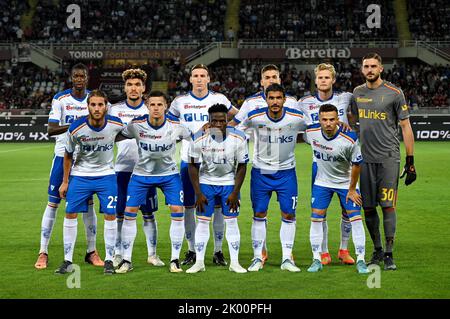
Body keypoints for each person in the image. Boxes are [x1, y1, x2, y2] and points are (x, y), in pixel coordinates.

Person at [350, 53, 416, 270]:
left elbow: (405, 127)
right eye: (366, 66)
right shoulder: (357, 94)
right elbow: (353, 123)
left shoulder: (395, 93)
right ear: (362, 69)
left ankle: (389, 253)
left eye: (373, 66)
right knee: (368, 208)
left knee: (387, 206)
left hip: (388, 159)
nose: (370, 69)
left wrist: (410, 160)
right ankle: (377, 249)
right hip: (365, 161)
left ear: (381, 69)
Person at [168, 64, 238, 267]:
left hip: (216, 161)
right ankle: (191, 250)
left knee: (217, 207)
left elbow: (238, 117)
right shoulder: (180, 102)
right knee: (189, 206)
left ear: (209, 79)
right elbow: (171, 125)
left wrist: (225, 132)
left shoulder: (220, 99)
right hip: (189, 160)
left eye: (203, 76)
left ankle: (217, 250)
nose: (199, 79)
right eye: (195, 76)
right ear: (190, 79)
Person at [35, 63, 103, 270]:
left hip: (87, 160)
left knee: (89, 206)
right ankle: (43, 251)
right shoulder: (61, 99)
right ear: (71, 77)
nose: (79, 78)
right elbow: (51, 129)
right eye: (76, 75)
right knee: (53, 204)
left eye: (82, 75)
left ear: (87, 77)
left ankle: (91, 251)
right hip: (62, 156)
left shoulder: (94, 98)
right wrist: (79, 124)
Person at [233, 83, 307, 272]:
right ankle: (258, 257)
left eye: (278, 98)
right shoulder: (255, 117)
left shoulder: (296, 117)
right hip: (261, 172)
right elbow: (236, 130)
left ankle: (286, 258)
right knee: (259, 214)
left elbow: (316, 127)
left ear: (284, 99)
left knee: (289, 214)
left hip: (286, 172)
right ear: (266, 99)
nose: (275, 102)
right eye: (271, 98)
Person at [115, 91, 191, 274]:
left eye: (160, 104)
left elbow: (193, 139)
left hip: (169, 175)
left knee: (177, 210)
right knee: (129, 212)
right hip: (141, 175)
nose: (156, 108)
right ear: (147, 106)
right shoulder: (136, 125)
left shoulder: (176, 125)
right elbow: (116, 136)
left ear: (166, 106)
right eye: (153, 105)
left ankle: (174, 259)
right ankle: (126, 259)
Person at [55, 90, 124, 275]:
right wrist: (65, 182)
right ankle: (67, 260)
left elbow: (131, 133)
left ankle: (109, 260)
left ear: (106, 106)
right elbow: (68, 154)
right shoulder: (76, 128)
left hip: (106, 175)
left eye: (100, 104)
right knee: (70, 214)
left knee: (110, 215)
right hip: (81, 175)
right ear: (88, 106)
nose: (96, 108)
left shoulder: (116, 124)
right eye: (93, 104)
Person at [298, 63, 355, 266]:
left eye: (327, 77)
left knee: (347, 210)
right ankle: (323, 252)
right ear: (315, 81)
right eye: (320, 78)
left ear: (333, 80)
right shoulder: (303, 103)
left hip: (346, 164)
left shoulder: (345, 98)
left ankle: (343, 249)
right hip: (319, 163)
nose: (323, 81)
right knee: (319, 212)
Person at [304, 104, 369, 274]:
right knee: (316, 217)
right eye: (324, 119)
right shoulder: (311, 132)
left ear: (337, 120)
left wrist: (352, 189)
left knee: (355, 217)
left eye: (332, 119)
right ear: (319, 120)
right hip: (322, 182)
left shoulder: (350, 138)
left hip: (345, 183)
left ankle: (361, 259)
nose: (328, 123)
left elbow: (356, 165)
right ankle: (316, 258)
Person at [108, 68, 162, 268]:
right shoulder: (114, 109)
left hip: (146, 170)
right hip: (121, 169)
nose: (133, 88)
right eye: (130, 84)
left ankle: (153, 254)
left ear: (143, 88)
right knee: (120, 213)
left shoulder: (151, 108)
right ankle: (118, 253)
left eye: (137, 84)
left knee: (148, 213)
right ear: (125, 87)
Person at [186, 104, 249, 274]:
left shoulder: (240, 137)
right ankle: (199, 262)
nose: (219, 124)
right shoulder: (198, 138)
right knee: (203, 222)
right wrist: (198, 193)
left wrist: (235, 192)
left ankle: (234, 263)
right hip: (206, 183)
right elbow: (192, 166)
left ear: (228, 120)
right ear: (209, 122)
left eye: (223, 121)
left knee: (232, 221)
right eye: (215, 121)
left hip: (229, 183)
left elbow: (242, 166)